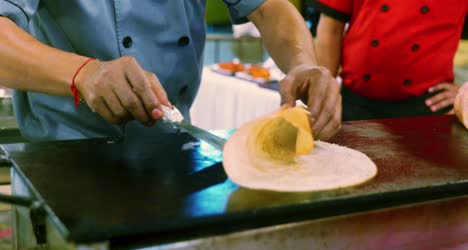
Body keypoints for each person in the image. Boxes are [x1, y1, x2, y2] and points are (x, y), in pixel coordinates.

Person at [0, 0, 341, 142]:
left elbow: (270, 9)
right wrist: (84, 73)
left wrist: (304, 64)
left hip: (174, 148)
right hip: (68, 153)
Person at [311, 0, 468, 121]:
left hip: (427, 108)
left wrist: (465, 93)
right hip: (353, 103)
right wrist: (322, 97)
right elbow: (331, 30)